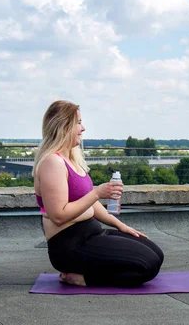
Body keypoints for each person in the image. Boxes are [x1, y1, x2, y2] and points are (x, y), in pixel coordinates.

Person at [33, 100, 164, 287]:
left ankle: (90, 270)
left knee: (156, 254)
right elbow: (59, 216)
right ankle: (83, 278)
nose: (83, 128)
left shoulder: (71, 159)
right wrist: (97, 193)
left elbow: (88, 203)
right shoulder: (52, 163)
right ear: (64, 126)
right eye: (78, 122)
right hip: (70, 245)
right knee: (146, 266)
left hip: (91, 232)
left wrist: (121, 226)